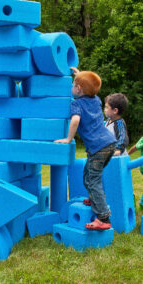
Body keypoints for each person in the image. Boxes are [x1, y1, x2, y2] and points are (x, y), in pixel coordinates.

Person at [55, 67, 116, 230]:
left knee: (92, 180)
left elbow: (75, 121)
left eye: (74, 84)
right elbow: (89, 88)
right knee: (88, 175)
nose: (72, 87)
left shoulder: (76, 104)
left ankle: (103, 218)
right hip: (109, 144)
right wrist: (80, 76)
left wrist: (68, 139)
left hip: (98, 147)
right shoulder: (96, 100)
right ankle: (95, 199)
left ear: (78, 88)